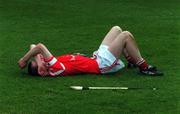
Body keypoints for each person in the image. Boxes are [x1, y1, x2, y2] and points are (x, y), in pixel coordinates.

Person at [18, 26, 163, 77]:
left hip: (97, 57)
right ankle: (144, 68)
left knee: (116, 29)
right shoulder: (54, 68)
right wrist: (25, 60)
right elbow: (39, 46)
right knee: (125, 35)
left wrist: (37, 61)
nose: (42, 59)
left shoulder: (45, 64)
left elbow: (33, 46)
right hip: (102, 64)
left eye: (40, 60)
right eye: (40, 63)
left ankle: (130, 60)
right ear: (42, 72)